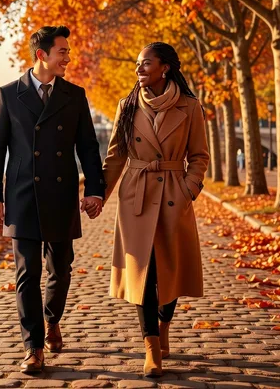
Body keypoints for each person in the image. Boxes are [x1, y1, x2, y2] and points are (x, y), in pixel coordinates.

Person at [0, 26, 106, 374]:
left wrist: (95, 189)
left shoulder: (74, 95)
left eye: (67, 52)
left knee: (60, 269)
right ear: (42, 55)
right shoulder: (8, 94)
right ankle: (33, 347)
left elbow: (87, 148)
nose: (68, 58)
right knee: (26, 274)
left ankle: (52, 320)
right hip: (21, 196)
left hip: (61, 192)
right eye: (62, 52)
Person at [102, 42, 209, 377]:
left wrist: (189, 188)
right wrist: (97, 195)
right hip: (137, 193)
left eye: (145, 63)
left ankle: (164, 324)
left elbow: (200, 157)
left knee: (171, 270)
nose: (139, 68)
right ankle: (150, 347)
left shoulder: (190, 107)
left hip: (175, 194)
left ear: (165, 67)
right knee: (142, 275)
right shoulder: (127, 105)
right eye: (137, 63)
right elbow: (116, 156)